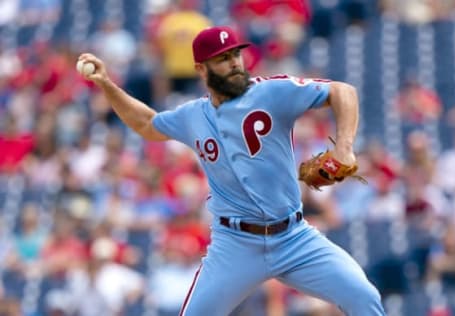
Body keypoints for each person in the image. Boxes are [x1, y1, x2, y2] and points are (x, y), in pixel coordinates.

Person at [77, 25, 385, 316]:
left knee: (364, 297)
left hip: (294, 238)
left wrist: (343, 146)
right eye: (223, 59)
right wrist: (106, 84)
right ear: (201, 69)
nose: (235, 63)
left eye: (236, 54)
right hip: (235, 245)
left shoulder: (272, 92)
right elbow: (147, 123)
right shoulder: (192, 115)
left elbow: (342, 91)